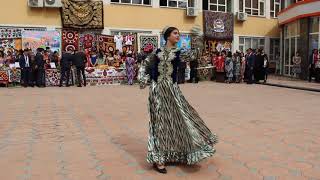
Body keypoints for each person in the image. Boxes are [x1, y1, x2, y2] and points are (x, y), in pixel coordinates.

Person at [138, 27, 218, 174]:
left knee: (180, 119)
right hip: (157, 92)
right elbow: (144, 65)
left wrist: (199, 37)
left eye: (179, 34)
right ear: (167, 36)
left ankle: (179, 152)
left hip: (173, 91)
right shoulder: (156, 53)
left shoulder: (179, 53)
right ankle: (159, 158)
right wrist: (143, 78)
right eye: (175, 33)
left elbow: (196, 54)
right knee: (159, 123)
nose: (178, 36)